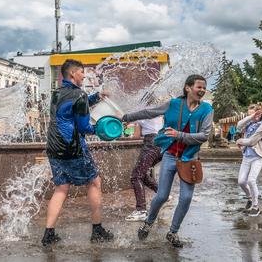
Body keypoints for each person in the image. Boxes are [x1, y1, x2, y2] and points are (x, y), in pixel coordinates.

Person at [122, 74, 213, 248]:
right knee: (162, 195)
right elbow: (150, 112)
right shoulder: (174, 104)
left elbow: (204, 136)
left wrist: (179, 135)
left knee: (185, 198)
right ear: (188, 88)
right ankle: (148, 222)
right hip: (170, 156)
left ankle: (173, 232)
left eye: (204, 87)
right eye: (198, 87)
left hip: (189, 159)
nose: (202, 90)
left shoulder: (207, 110)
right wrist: (126, 117)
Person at [41, 59, 113, 246]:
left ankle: (48, 234)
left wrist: (95, 97)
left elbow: (70, 108)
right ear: (72, 74)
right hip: (72, 149)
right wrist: (101, 129)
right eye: (82, 72)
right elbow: (84, 127)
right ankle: (97, 230)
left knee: (61, 187)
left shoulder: (56, 93)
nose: (84, 76)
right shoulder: (79, 95)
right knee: (94, 182)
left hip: (54, 148)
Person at [236, 104, 262, 217]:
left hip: (257, 157)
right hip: (246, 156)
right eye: (250, 114)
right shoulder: (250, 123)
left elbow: (252, 141)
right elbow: (238, 125)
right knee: (241, 181)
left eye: (255, 114)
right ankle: (250, 198)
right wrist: (251, 117)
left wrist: (240, 141)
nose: (252, 116)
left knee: (251, 180)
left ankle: (256, 206)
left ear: (261, 114)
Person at [125, 117, 163, 221]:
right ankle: (162, 194)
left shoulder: (142, 113)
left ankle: (141, 211)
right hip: (162, 144)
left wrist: (127, 136)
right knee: (142, 174)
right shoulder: (156, 112)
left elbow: (136, 135)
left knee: (136, 176)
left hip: (151, 144)